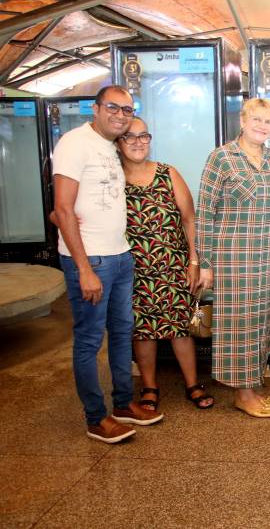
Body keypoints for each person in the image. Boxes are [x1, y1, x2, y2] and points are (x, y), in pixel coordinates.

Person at [53, 85, 163, 443]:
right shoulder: (74, 142)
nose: (120, 115)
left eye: (127, 110)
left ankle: (122, 404)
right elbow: (62, 208)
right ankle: (96, 418)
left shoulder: (111, 147)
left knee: (121, 334)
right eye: (113, 108)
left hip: (120, 255)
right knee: (88, 339)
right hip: (91, 260)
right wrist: (84, 268)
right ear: (96, 108)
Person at [196, 98, 270, 418]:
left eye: (268, 122)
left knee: (260, 321)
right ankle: (242, 394)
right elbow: (205, 213)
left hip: (263, 257)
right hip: (232, 257)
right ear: (243, 120)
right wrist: (204, 262)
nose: (262, 126)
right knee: (239, 325)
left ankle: (253, 385)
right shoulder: (221, 158)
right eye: (257, 120)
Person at [118, 117, 214, 411]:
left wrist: (194, 261)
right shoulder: (112, 178)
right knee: (142, 330)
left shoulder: (166, 173)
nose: (138, 142)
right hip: (131, 269)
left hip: (173, 264)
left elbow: (189, 219)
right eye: (130, 137)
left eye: (143, 136)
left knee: (180, 328)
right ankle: (149, 386)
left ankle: (192, 385)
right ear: (118, 142)